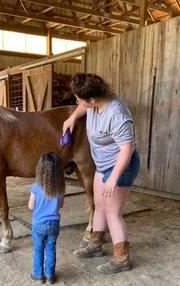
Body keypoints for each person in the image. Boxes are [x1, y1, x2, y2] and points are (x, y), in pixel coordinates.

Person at [63, 73, 140, 274]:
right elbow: (82, 106)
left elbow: (127, 148)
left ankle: (122, 258)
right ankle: (95, 244)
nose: (79, 103)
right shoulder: (95, 102)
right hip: (103, 164)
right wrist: (72, 118)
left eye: (80, 101)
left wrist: (113, 178)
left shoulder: (117, 115)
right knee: (98, 205)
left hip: (121, 166)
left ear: (93, 99)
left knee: (112, 212)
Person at [28, 152, 65, 284]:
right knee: (51, 248)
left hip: (38, 224)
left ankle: (38, 275)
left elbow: (31, 206)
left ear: (40, 169)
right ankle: (50, 276)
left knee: (38, 248)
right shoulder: (60, 187)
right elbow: (60, 205)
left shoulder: (35, 187)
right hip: (54, 224)